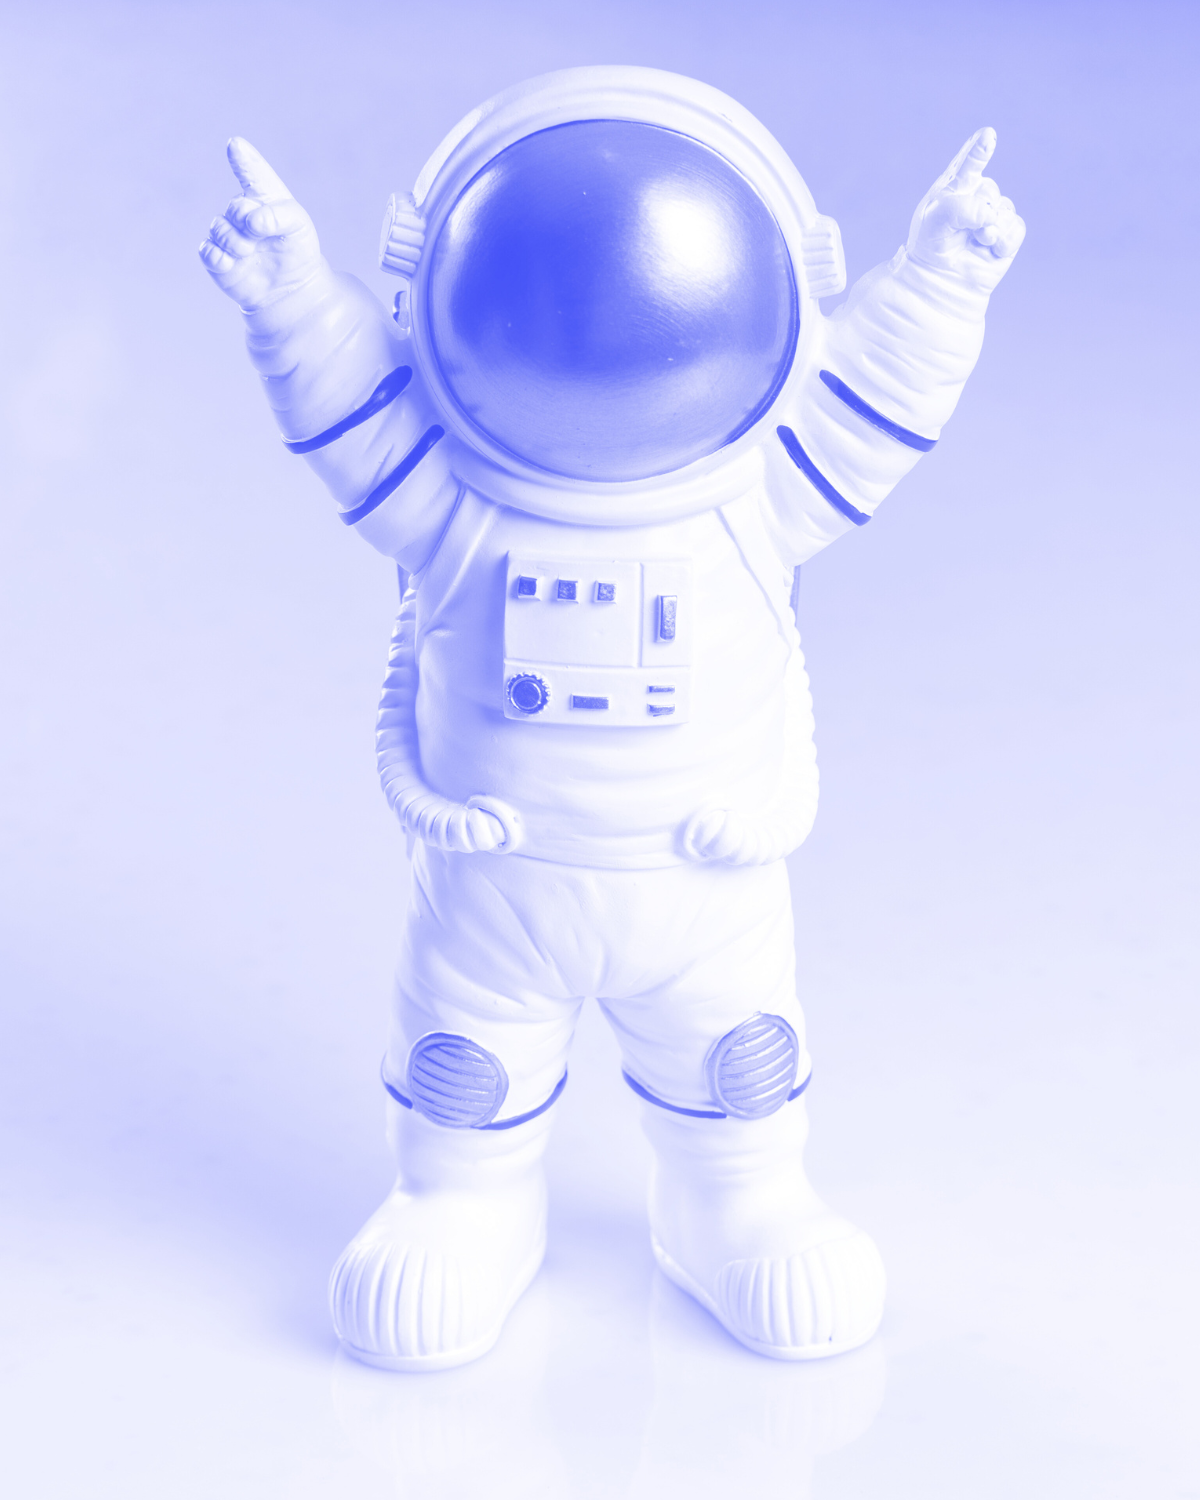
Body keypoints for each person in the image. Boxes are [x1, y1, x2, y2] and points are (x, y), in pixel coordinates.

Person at [201, 67, 1024, 1369]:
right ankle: (460, 1202)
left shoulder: (754, 499)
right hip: (496, 882)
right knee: (464, 1067)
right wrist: (292, 294)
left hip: (706, 886)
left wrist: (941, 282)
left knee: (737, 1064)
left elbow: (873, 408)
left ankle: (737, 1203)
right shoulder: (455, 504)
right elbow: (351, 411)